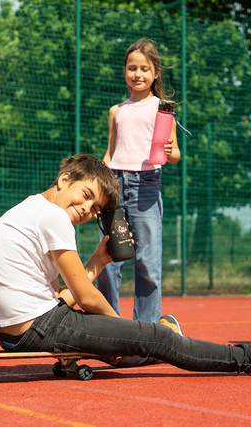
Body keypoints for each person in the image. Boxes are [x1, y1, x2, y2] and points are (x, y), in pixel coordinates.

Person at [0, 154, 251, 375]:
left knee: (140, 343)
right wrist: (124, 331)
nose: (88, 210)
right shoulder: (53, 217)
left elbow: (60, 296)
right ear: (64, 179)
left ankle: (163, 339)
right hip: (41, 327)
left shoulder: (28, 209)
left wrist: (98, 261)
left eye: (96, 208)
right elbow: (84, 298)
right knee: (153, 336)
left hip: (17, 332)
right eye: (87, 196)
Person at [98, 38, 180, 323]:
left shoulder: (163, 108)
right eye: (132, 68)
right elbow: (110, 153)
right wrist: (100, 186)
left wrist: (171, 152)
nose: (138, 74)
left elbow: (174, 153)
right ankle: (110, 325)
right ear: (124, 72)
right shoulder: (116, 111)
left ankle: (147, 333)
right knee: (108, 261)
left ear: (155, 72)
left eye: (145, 68)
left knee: (147, 263)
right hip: (114, 188)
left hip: (146, 187)